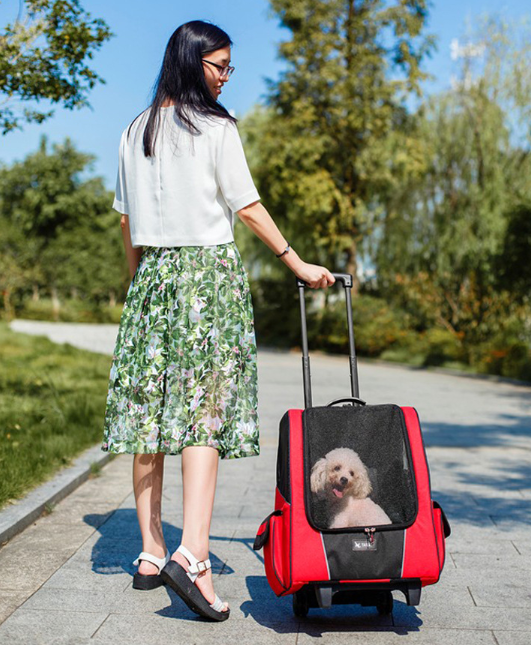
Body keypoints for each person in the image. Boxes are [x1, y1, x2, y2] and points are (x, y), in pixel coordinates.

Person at [101, 19, 335, 622]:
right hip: (207, 278)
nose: (226, 78)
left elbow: (126, 221)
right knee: (201, 412)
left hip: (152, 280)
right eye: (219, 66)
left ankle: (151, 552)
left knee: (149, 415)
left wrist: (137, 282)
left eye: (229, 68)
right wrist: (297, 263)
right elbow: (246, 205)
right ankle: (194, 554)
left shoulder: (134, 129)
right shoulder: (215, 127)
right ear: (190, 61)